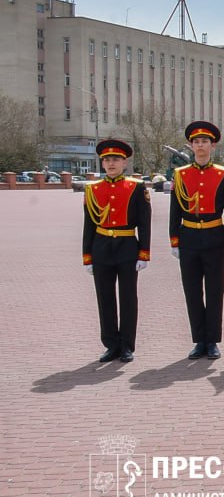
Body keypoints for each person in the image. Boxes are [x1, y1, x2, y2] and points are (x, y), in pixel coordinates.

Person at [170, 121, 224, 360]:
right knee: (192, 291)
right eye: (196, 142)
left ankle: (213, 341)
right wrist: (174, 240)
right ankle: (199, 340)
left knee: (214, 290)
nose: (200, 146)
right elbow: (175, 210)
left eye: (205, 142)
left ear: (213, 146)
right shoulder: (180, 175)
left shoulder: (223, 175)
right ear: (191, 146)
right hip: (189, 238)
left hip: (214, 238)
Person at [83, 139, 151, 363]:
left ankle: (127, 345)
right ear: (102, 164)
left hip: (127, 247)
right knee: (105, 298)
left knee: (128, 297)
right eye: (107, 160)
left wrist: (144, 253)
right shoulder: (93, 189)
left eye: (116, 160)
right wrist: (87, 256)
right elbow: (89, 225)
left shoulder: (136, 188)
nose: (111, 163)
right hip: (102, 247)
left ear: (125, 163)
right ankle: (111, 344)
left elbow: (145, 223)